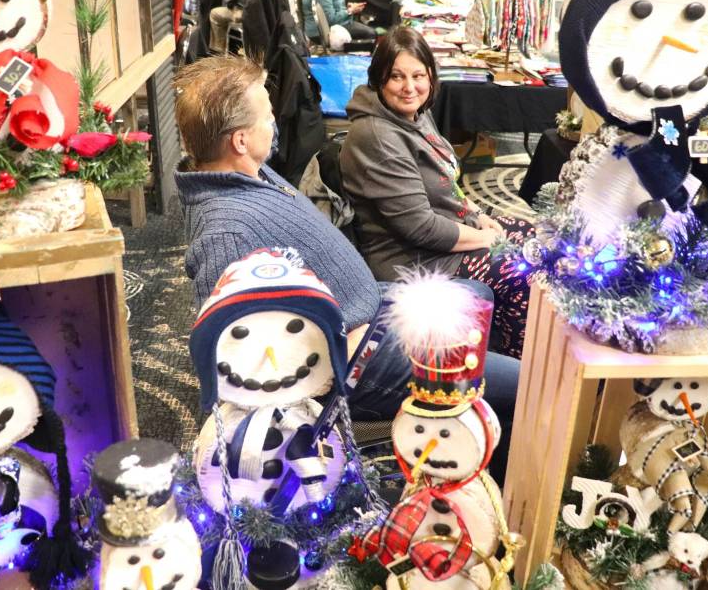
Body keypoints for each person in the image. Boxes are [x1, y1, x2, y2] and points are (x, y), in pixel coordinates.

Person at [173, 56, 519, 479]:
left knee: (479, 297)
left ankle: (472, 416)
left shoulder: (249, 173)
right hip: (360, 359)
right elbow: (229, 359)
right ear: (241, 141)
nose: (275, 125)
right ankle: (487, 488)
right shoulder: (226, 232)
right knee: (522, 390)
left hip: (371, 304)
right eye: (267, 117)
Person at [340, 26, 533, 359]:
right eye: (396, 76)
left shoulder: (416, 114)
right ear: (379, 79)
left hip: (446, 229)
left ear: (431, 76)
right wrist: (485, 238)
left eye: (418, 75)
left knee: (533, 236)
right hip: (410, 257)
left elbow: (446, 181)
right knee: (520, 268)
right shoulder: (377, 135)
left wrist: (479, 217)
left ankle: (502, 339)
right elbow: (419, 227)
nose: (409, 87)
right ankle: (521, 375)